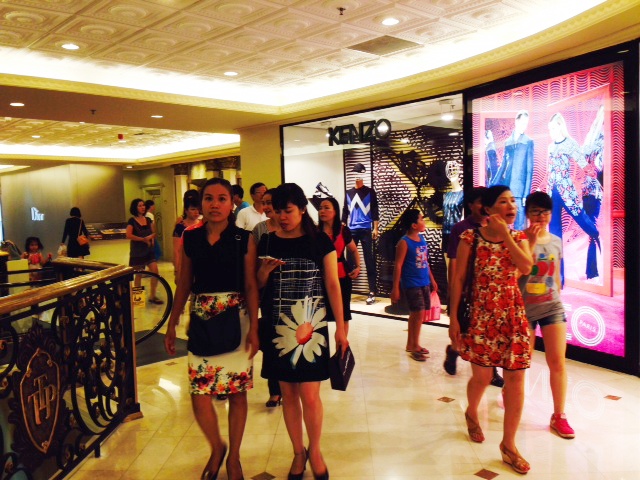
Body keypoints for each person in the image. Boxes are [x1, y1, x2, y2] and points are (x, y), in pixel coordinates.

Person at [164, 178, 259, 480]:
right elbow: (184, 282)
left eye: (221, 198)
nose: (214, 204)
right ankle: (217, 446)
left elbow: (250, 285)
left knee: (237, 393)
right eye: (208, 198)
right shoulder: (191, 237)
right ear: (201, 203)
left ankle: (234, 457)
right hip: (202, 318)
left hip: (237, 318)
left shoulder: (244, 238)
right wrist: (172, 321)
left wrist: (255, 328)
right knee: (199, 393)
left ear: (232, 203)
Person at [256, 183, 348, 480]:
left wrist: (341, 328)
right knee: (288, 393)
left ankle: (315, 450)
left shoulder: (319, 241)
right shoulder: (267, 242)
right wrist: (263, 273)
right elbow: (256, 286)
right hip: (278, 328)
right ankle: (298, 452)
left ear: (301, 209)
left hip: (312, 329)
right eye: (277, 211)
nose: (282, 217)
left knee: (309, 395)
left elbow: (332, 285)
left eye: (288, 210)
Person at [448, 185, 533, 475]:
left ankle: (508, 445)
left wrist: (506, 235)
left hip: (512, 316)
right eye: (503, 202)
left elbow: (526, 267)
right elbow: (458, 279)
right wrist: (453, 318)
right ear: (488, 208)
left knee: (516, 380)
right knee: (482, 377)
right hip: (481, 317)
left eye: (513, 201)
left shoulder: (518, 237)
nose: (512, 206)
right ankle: (472, 412)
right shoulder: (470, 238)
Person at [521, 191, 575, 439]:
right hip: (525, 310)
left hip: (552, 307)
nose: (541, 216)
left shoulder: (556, 241)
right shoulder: (519, 239)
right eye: (535, 211)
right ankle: (510, 391)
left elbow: (556, 275)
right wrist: (530, 243)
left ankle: (559, 415)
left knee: (558, 362)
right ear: (527, 214)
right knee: (522, 363)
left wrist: (557, 296)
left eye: (545, 212)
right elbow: (517, 274)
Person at [443, 187, 504, 388]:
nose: (484, 207)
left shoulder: (496, 226)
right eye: (480, 202)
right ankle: (454, 350)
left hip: (488, 293)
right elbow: (454, 262)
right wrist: (453, 291)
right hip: (466, 290)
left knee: (489, 334)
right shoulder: (461, 229)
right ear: (470, 205)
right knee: (462, 331)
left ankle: (491, 372)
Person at [547, 112, 600, 280]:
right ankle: (558, 277)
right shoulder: (550, 147)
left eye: (553, 128)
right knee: (554, 235)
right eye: (550, 129)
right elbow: (550, 172)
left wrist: (595, 175)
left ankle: (597, 235)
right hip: (552, 193)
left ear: (560, 126)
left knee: (582, 219)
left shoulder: (570, 143)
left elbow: (582, 163)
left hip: (567, 192)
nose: (551, 131)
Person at [250, 188, 283, 408]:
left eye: (270, 202)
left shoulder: (292, 227)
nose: (267, 206)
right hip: (267, 291)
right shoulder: (259, 230)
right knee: (271, 341)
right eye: (264, 202)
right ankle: (275, 391)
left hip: (290, 293)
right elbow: (253, 263)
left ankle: (290, 384)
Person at [390, 209, 437, 361]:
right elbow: (398, 266)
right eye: (421, 219)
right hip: (411, 283)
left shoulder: (421, 239)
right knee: (418, 313)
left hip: (424, 282)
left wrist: (432, 280)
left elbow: (425, 262)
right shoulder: (404, 242)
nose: (424, 221)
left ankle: (412, 344)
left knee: (418, 315)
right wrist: (395, 288)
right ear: (414, 225)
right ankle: (414, 345)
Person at [318, 197, 361, 337]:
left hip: (342, 274)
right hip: (320, 276)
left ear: (335, 211)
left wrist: (358, 267)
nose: (322, 211)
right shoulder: (315, 231)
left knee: (343, 313)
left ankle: (341, 344)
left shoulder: (343, 230)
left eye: (326, 208)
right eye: (320, 208)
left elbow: (354, 250)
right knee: (320, 313)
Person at [487, 110, 534, 231]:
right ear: (516, 121)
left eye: (526, 123)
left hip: (520, 192)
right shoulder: (508, 142)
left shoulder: (528, 141)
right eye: (522, 122)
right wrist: (492, 185)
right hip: (507, 189)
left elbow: (529, 170)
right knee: (504, 226)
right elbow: (503, 165)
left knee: (520, 228)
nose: (524, 126)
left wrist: (526, 195)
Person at [342, 163, 379, 305]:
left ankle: (372, 291)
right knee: (349, 261)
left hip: (365, 229)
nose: (357, 175)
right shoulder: (348, 193)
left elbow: (375, 210)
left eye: (360, 172)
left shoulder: (370, 192)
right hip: (351, 230)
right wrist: (343, 227)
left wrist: (375, 228)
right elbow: (345, 211)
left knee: (369, 259)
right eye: (355, 172)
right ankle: (346, 291)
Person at [126, 198, 163, 305]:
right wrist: (142, 239)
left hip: (148, 250)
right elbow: (128, 235)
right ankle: (138, 298)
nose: (142, 207)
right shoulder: (132, 221)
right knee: (139, 274)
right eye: (140, 206)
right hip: (137, 252)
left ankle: (152, 296)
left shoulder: (148, 219)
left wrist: (150, 238)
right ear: (135, 208)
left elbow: (154, 232)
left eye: (143, 205)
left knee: (155, 271)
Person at [172, 194, 201, 281]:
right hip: (185, 265)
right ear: (186, 210)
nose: (196, 212)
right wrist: (177, 270)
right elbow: (177, 251)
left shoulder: (203, 224)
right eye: (193, 209)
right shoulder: (180, 227)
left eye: (198, 209)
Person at [442, 161, 464, 254]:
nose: (451, 172)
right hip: (446, 233)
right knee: (447, 260)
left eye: (454, 169)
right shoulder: (446, 195)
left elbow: (463, 217)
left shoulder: (463, 194)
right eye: (449, 170)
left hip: (457, 233)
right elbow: (445, 215)